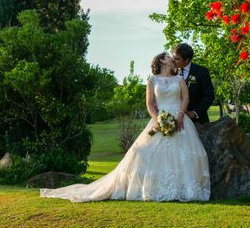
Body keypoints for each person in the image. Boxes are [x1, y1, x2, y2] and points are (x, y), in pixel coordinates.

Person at [40, 52, 210, 202]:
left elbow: (185, 99)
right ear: (161, 62)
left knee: (186, 156)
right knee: (142, 153)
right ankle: (150, 188)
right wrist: (157, 119)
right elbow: (150, 104)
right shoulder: (152, 81)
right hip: (159, 121)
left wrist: (180, 115)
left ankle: (183, 189)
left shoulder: (179, 79)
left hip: (180, 121)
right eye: (167, 56)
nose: (171, 58)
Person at [173, 43, 214, 123]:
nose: (173, 61)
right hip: (174, 118)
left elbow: (209, 96)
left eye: (177, 59)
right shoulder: (171, 72)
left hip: (197, 121)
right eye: (173, 57)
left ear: (187, 60)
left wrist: (195, 112)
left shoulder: (201, 71)